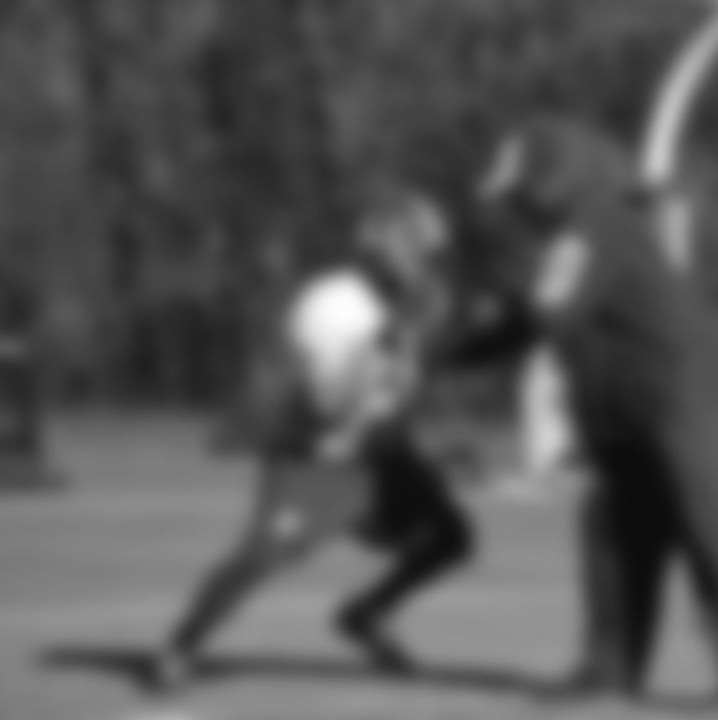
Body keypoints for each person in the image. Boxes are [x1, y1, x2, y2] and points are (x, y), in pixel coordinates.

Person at [472, 115, 718, 718]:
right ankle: (610, 673)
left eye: (516, 195)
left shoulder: (591, 226)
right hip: (625, 409)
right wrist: (440, 354)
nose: (512, 211)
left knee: (709, 527)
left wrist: (481, 314)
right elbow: (534, 318)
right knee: (614, 534)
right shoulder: (578, 234)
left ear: (544, 183)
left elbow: (548, 312)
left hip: (680, 391)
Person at [147, 182, 475, 694]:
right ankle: (181, 645)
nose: (429, 265)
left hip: (378, 456)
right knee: (261, 556)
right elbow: (331, 400)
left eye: (432, 254)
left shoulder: (410, 304)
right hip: (316, 459)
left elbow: (398, 391)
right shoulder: (335, 303)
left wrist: (432, 439)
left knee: (450, 537)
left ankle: (366, 615)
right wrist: (392, 338)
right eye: (419, 251)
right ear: (386, 247)